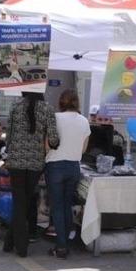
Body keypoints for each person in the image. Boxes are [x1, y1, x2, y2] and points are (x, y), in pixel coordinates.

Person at [3, 91, 59, 258]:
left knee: (20, 203)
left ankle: (11, 243)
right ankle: (20, 246)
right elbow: (54, 139)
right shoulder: (48, 109)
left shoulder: (15, 107)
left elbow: (9, 138)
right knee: (24, 203)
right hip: (35, 163)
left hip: (16, 162)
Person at [44, 89, 90, 259]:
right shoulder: (84, 121)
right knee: (67, 205)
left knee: (57, 206)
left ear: (61, 102)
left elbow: (47, 145)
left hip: (55, 166)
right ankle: (67, 240)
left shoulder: (55, 118)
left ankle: (61, 245)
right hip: (74, 167)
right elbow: (84, 149)